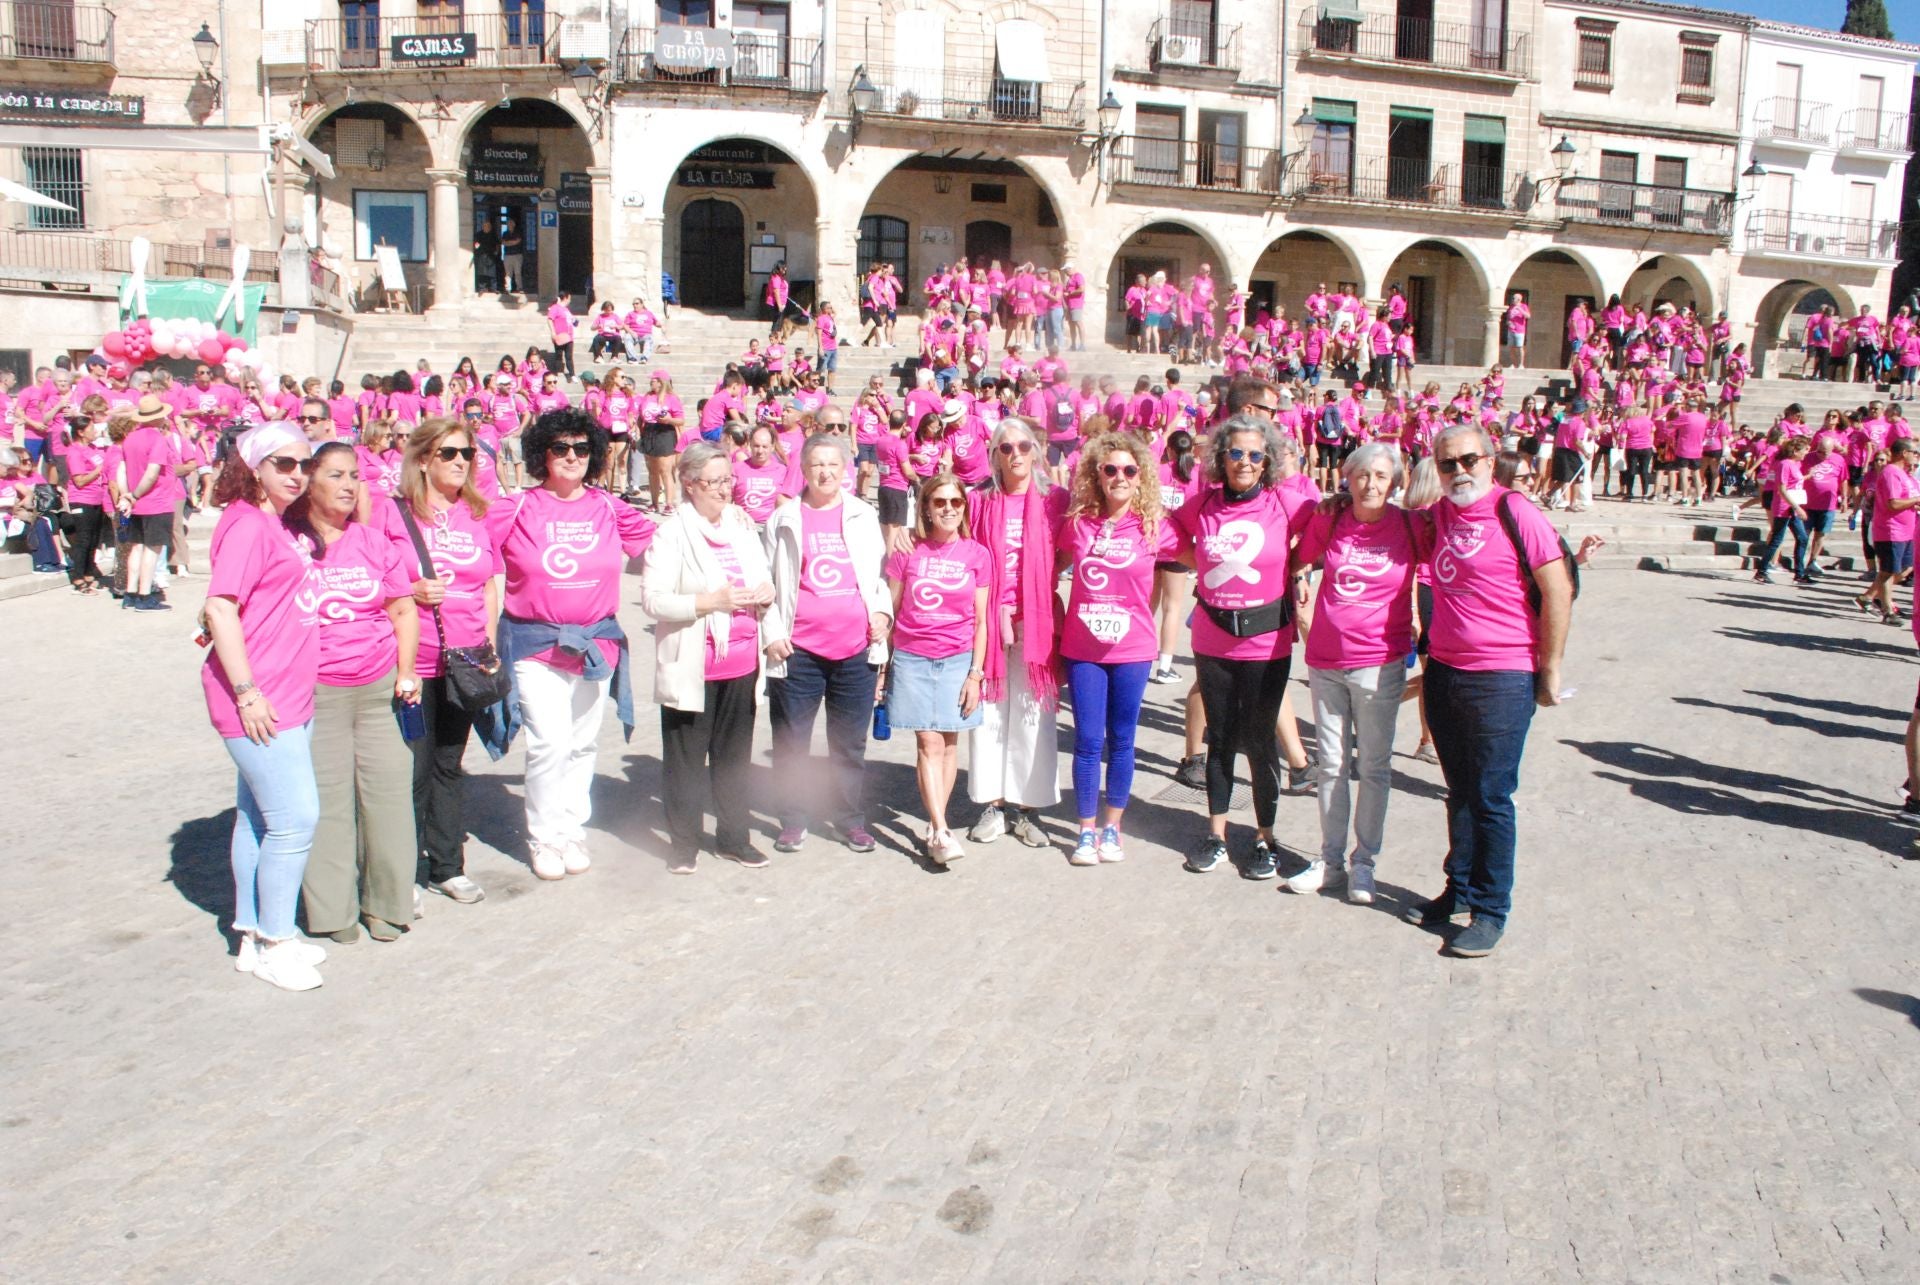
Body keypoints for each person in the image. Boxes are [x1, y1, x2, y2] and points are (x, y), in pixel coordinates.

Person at [1403, 424, 1574, 958]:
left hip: (1502, 675)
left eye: (1469, 460)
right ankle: (1460, 888)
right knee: (1459, 791)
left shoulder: (1514, 510)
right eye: (1448, 464)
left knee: (1491, 797)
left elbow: (1557, 586)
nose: (1460, 472)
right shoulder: (1441, 515)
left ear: (1489, 459)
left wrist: (1551, 668)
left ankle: (1491, 908)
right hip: (1447, 670)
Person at [480, 409, 656, 879]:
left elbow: (661, 546)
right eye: (560, 448)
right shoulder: (515, 507)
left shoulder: (608, 506)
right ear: (542, 454)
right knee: (549, 745)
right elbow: (470, 554)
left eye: (581, 448)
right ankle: (544, 837)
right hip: (534, 645)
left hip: (596, 644)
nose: (572, 457)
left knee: (581, 745)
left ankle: (571, 829)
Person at [200, 422, 327, 991]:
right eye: (283, 464)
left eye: (304, 464)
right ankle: (277, 940)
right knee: (296, 820)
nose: (297, 475)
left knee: (258, 819)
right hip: (261, 697)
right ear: (254, 466)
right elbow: (220, 609)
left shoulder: (271, 522)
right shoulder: (250, 525)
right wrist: (248, 691)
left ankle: (253, 932)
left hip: (288, 692)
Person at [287, 441, 422, 944]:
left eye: (355, 477)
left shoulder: (372, 542)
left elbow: (402, 608)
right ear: (309, 481)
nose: (348, 486)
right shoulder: (288, 541)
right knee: (328, 804)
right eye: (336, 475)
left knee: (387, 799)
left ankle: (387, 902)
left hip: (379, 691)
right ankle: (332, 911)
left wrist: (406, 670)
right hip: (314, 693)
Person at [1168, 414, 1301, 880]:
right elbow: (1166, 535)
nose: (1244, 462)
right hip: (1213, 637)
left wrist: (1297, 571)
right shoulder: (1200, 504)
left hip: (1267, 642)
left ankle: (1265, 839)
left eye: (1254, 454)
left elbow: (1324, 531)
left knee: (1261, 742)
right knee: (1220, 739)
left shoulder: (1287, 503)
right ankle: (1217, 835)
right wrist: (1200, 562)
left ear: (1266, 462)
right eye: (1236, 453)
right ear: (1221, 457)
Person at [1288, 443, 1421, 903]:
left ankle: (1364, 863)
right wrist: (1302, 578)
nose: (1371, 484)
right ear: (1348, 478)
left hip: (1379, 664)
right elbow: (1300, 556)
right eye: (1362, 475)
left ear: (1395, 483)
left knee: (1374, 767)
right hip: (1326, 661)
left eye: (1381, 476)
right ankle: (1330, 860)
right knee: (1330, 766)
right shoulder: (1333, 517)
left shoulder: (1409, 524)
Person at [640, 441, 775, 873]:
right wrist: (708, 602)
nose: (724, 489)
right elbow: (653, 601)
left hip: (741, 661)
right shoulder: (672, 532)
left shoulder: (741, 525)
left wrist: (766, 590)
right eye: (715, 482)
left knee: (734, 760)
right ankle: (684, 845)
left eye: (727, 480)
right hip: (694, 664)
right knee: (685, 763)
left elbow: (760, 575)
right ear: (689, 483)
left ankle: (735, 839)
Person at [762, 433, 893, 854]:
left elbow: (876, 577)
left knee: (849, 744)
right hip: (798, 649)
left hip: (855, 650)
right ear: (803, 468)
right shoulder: (783, 519)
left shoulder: (862, 515)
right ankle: (793, 819)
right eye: (817, 464)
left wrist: (882, 614)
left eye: (833, 465)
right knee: (791, 741)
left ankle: (848, 818)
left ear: (846, 471)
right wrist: (773, 633)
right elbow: (765, 584)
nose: (825, 472)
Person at [390, 418, 500, 905]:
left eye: (468, 455)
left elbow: (489, 582)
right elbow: (370, 575)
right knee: (411, 768)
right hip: (414, 661)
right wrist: (409, 590)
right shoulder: (392, 515)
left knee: (449, 765)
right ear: (422, 460)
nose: (461, 462)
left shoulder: (476, 513)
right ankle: (407, 870)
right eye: (449, 453)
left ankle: (447, 865)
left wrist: (489, 643)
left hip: (465, 659)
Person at [1056, 430, 1177, 866]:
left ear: (1140, 477)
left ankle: (1113, 827)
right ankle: (1086, 830)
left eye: (1129, 470)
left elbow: (1205, 557)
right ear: (1098, 476)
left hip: (1133, 649)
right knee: (1088, 740)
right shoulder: (1079, 524)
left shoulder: (1155, 527)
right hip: (1084, 649)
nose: (1120, 477)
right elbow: (1047, 562)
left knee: (1122, 741)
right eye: (1111, 470)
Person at [965, 417, 1064, 848]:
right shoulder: (978, 500)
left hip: (1034, 619)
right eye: (1006, 448)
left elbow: (1071, 547)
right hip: (986, 619)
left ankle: (1028, 808)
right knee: (988, 712)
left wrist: (1037, 589)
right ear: (994, 455)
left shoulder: (1054, 499)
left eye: (1023, 446)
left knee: (1031, 712)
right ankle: (993, 804)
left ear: (1035, 450)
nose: (1016, 454)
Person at [885, 473, 991, 865]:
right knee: (928, 743)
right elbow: (892, 610)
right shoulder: (906, 551)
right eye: (940, 502)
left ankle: (935, 824)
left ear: (964, 507)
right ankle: (942, 829)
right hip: (913, 658)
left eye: (956, 502)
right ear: (926, 508)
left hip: (959, 659)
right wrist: (883, 665)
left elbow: (981, 621)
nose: (948, 509)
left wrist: (976, 674)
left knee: (949, 745)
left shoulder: (977, 555)